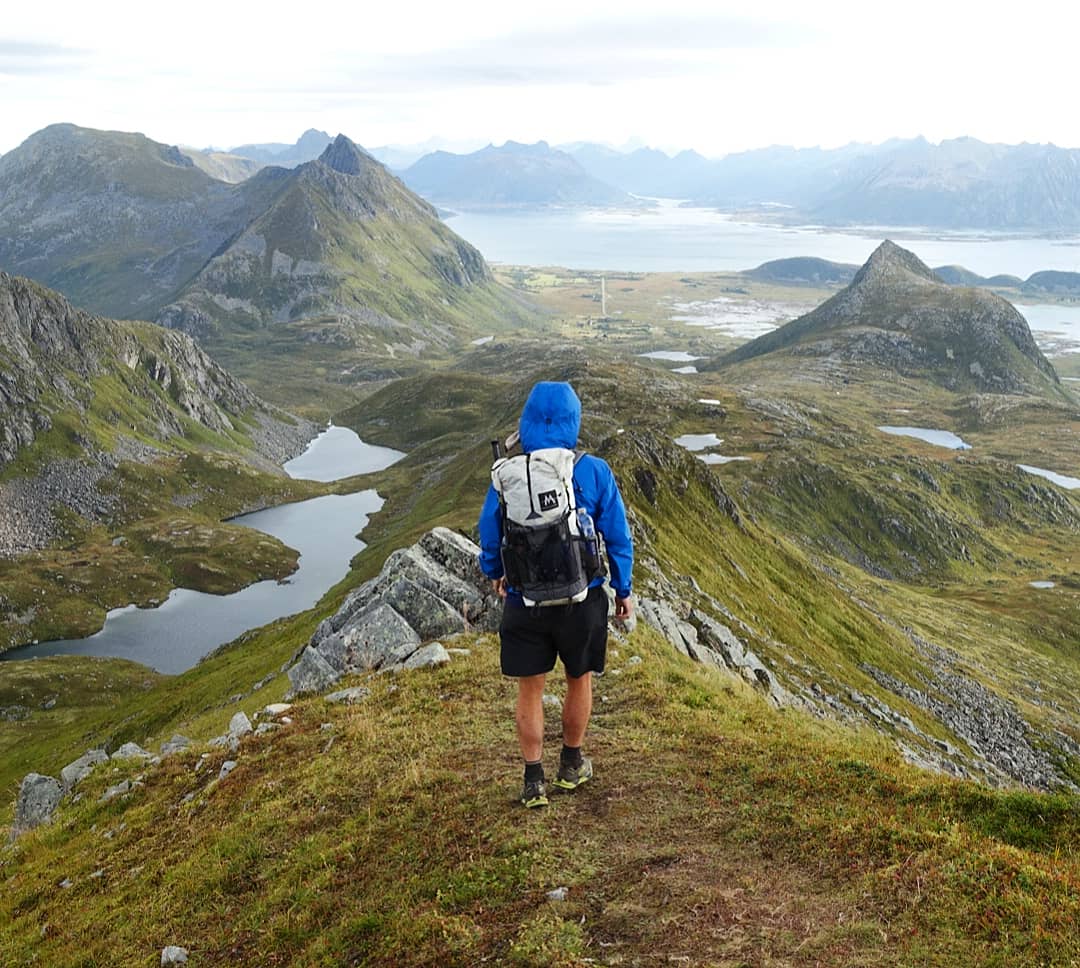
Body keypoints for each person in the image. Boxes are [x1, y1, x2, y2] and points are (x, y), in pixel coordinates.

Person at [478, 381, 634, 808]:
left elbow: (489, 532)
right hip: (581, 599)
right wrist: (623, 589)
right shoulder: (593, 471)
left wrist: (496, 573)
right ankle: (571, 764)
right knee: (577, 679)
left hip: (524, 600)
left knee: (530, 689)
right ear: (573, 421)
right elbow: (618, 537)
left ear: (527, 422)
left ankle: (533, 782)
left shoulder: (510, 473)